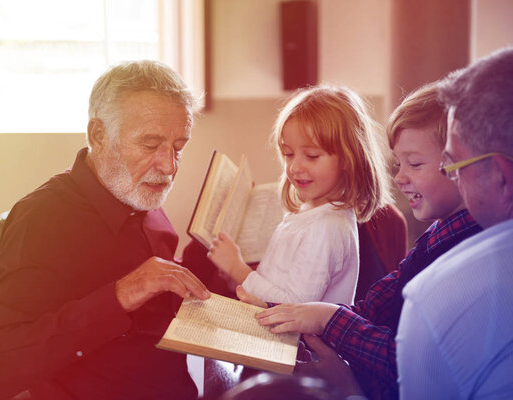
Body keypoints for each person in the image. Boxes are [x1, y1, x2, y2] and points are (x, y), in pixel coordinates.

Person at [0, 60, 211, 400]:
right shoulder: (42, 219)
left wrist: (210, 257)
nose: (169, 166)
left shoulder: (137, 192)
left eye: (179, 147)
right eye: (151, 144)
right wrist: (120, 295)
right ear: (98, 135)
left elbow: (157, 300)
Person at [244, 80, 482, 400]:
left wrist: (330, 321)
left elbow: (414, 364)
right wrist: (325, 321)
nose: (398, 177)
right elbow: (375, 305)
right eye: (399, 164)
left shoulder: (470, 259)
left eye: (414, 163)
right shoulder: (438, 235)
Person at [396, 47, 513, 399]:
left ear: (503, 178)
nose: (453, 180)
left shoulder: (438, 300)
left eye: (455, 165)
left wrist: (348, 389)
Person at [207, 85, 392, 305]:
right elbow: (281, 282)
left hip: (294, 339)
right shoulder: (313, 211)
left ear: (348, 159)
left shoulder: (326, 228)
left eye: (312, 156)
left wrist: (238, 269)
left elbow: (296, 307)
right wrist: (242, 281)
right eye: (288, 154)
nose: (295, 167)